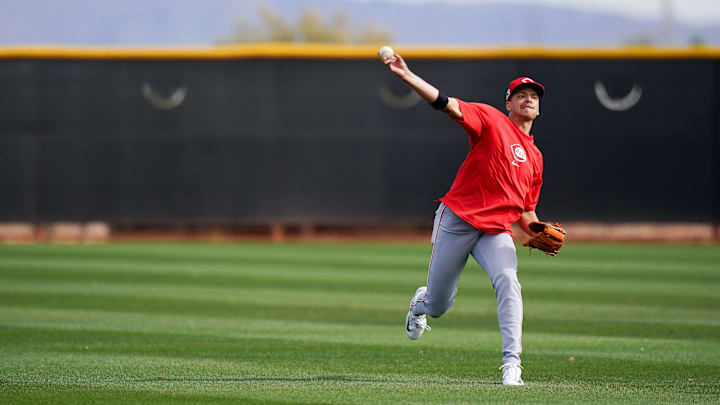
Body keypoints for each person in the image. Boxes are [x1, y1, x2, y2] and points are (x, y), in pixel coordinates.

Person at [383, 52, 550, 386]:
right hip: (458, 219)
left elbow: (526, 213)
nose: (528, 99)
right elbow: (446, 104)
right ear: (508, 103)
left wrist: (538, 231)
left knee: (509, 280)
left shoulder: (535, 158)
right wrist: (407, 76)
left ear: (539, 108)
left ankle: (511, 364)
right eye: (521, 95)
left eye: (533, 96)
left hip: (496, 231)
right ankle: (420, 302)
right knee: (439, 305)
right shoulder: (490, 119)